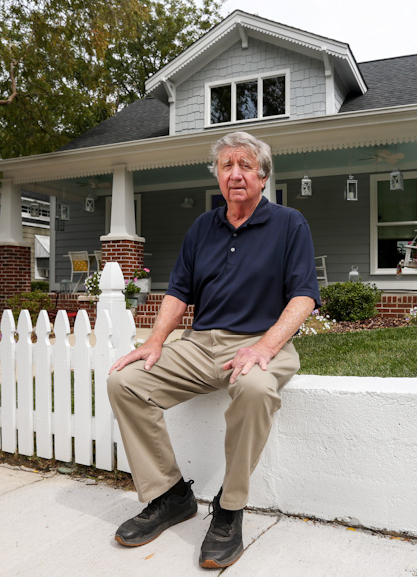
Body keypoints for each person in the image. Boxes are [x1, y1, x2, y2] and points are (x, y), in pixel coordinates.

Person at [107, 131, 320, 569]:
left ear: (263, 176)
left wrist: (264, 346)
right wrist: (154, 341)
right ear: (218, 177)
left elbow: (304, 296)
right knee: (125, 381)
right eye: (227, 166)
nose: (236, 174)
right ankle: (170, 496)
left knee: (257, 390)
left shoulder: (289, 223)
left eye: (245, 166)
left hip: (261, 343)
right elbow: (178, 291)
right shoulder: (203, 227)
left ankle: (229, 508)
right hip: (200, 343)